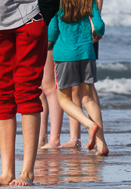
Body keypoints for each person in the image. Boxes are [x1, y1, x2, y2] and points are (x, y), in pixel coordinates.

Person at [0, 0, 59, 187]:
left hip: (30, 16)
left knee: (27, 90)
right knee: (1, 92)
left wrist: (46, 13)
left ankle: (27, 172)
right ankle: (7, 173)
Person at [48, 0, 109, 155]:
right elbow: (100, 26)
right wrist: (97, 34)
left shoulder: (58, 4)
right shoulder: (89, 2)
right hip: (86, 53)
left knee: (64, 99)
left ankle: (89, 125)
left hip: (64, 55)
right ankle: (102, 146)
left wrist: (47, 45)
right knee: (88, 99)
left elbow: (53, 31)